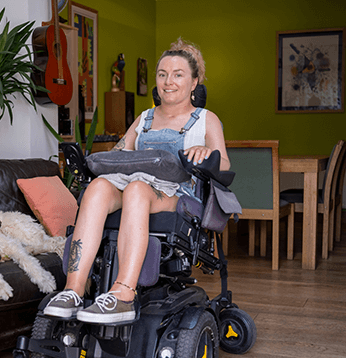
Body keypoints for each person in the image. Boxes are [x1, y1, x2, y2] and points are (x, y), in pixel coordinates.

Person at [44, 37, 230, 324]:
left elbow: (225, 167)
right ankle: (74, 289)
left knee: (136, 190)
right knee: (97, 188)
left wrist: (207, 153)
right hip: (136, 183)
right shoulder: (144, 118)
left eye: (178, 75)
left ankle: (123, 294)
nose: (169, 81)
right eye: (163, 74)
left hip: (179, 193)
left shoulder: (206, 119)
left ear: (194, 83)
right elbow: (121, 155)